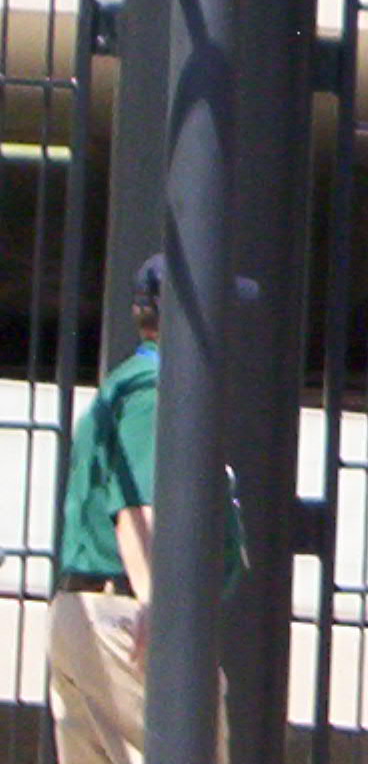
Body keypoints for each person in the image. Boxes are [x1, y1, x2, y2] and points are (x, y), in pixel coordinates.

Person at [48, 253, 239, 764]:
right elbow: (136, 507)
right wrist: (160, 607)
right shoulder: (158, 391)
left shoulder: (131, 381)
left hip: (91, 611)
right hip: (127, 616)